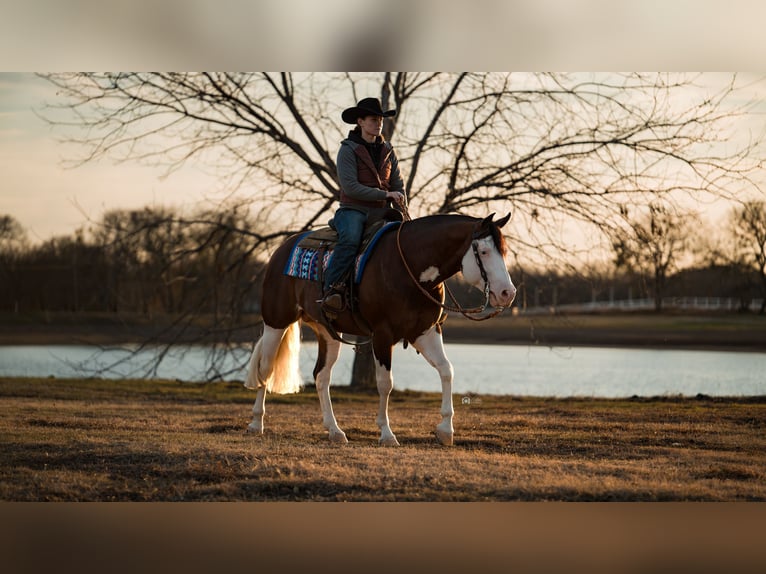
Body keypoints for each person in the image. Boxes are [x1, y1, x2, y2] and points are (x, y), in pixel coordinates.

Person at [320, 97, 407, 314]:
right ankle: (331, 290)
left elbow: (398, 182)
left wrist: (401, 199)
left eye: (380, 119)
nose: (378, 124)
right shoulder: (348, 150)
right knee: (350, 238)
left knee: (408, 239)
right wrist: (386, 194)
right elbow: (350, 187)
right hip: (353, 209)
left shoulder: (388, 149)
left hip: (383, 210)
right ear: (360, 121)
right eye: (373, 119)